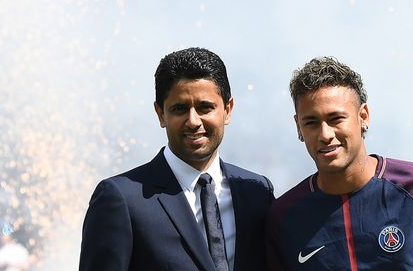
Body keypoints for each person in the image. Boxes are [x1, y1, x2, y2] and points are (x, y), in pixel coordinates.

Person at [266, 57, 413, 271]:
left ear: (363, 116)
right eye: (311, 122)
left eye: (336, 119)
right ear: (298, 127)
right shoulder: (284, 217)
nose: (325, 134)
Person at [80, 47, 275, 271]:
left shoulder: (258, 192)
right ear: (161, 114)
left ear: (228, 110)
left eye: (205, 107)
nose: (193, 121)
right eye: (180, 109)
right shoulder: (121, 199)